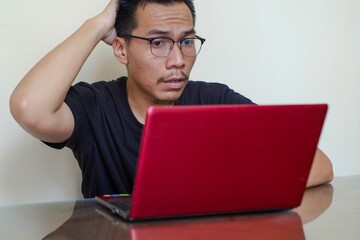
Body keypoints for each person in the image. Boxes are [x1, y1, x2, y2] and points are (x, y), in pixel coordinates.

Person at [10, 0, 333, 198]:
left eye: (187, 41)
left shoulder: (214, 99)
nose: (178, 59)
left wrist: (218, 191)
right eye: (158, 43)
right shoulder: (95, 105)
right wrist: (96, 26)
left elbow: (319, 166)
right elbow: (29, 108)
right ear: (121, 48)